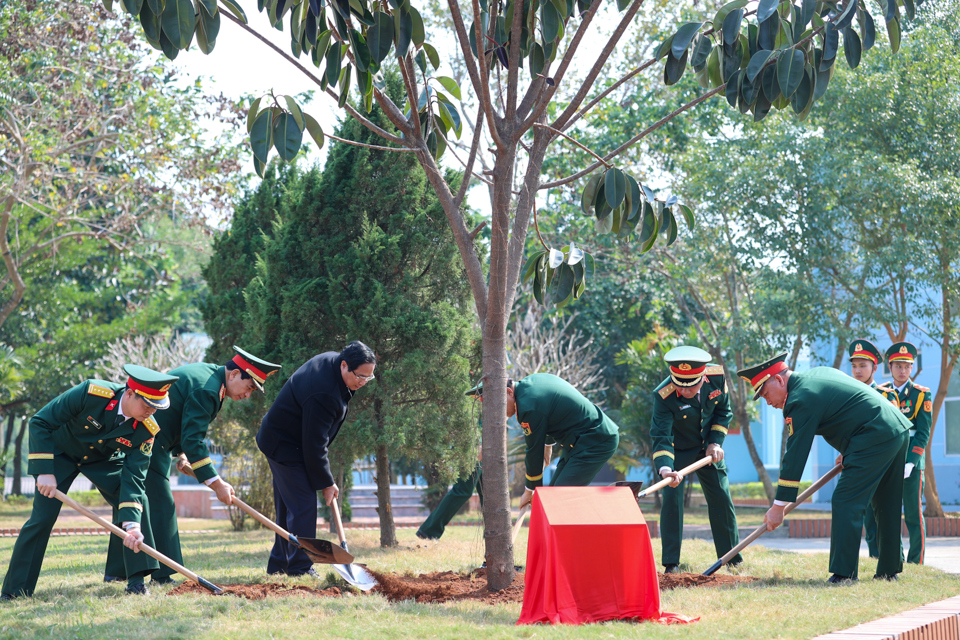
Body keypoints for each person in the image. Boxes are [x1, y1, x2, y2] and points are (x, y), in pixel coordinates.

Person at [102, 347, 281, 584]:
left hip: (155, 441)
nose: (248, 395)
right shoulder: (208, 389)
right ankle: (162, 573)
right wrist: (216, 483)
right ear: (235, 374)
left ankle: (117, 571)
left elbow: (180, 420)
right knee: (160, 505)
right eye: (249, 387)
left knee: (132, 501)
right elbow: (193, 438)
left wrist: (181, 453)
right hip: (147, 442)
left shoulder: (209, 378)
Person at [1, 365, 179, 599]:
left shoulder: (147, 429)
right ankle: (16, 591)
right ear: (129, 393)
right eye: (147, 405)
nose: (151, 412)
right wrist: (44, 472)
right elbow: (40, 422)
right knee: (41, 519)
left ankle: (135, 581)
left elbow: (134, 477)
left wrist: (132, 526)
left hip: (101, 460)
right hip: (60, 454)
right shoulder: (91, 393)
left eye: (156, 407)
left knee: (137, 501)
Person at [741, 352, 911, 583]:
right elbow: (850, 406)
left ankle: (844, 574)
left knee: (846, 500)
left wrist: (779, 506)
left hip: (874, 435)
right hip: (895, 428)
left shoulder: (800, 398)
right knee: (886, 501)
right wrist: (849, 449)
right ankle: (889, 571)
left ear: (779, 380)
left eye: (766, 393)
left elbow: (796, 454)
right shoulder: (818, 374)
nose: (768, 402)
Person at [256, 341, 376, 576]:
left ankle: (279, 564)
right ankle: (300, 568)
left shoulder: (333, 364)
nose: (362, 382)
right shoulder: (324, 393)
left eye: (368, 378)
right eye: (360, 376)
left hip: (289, 439)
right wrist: (326, 482)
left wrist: (324, 480)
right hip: (284, 445)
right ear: (344, 365)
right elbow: (314, 445)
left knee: (287, 509)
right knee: (303, 506)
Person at [469, 373, 619, 511]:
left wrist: (530, 490)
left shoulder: (527, 406)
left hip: (596, 440)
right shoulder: (531, 384)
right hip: (580, 441)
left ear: (509, 392)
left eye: (498, 406)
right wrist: (548, 445)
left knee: (560, 498)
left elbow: (534, 451)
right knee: (552, 495)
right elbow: (549, 412)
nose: (497, 413)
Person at [651, 346, 740, 574]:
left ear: (702, 377)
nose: (685, 390)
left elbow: (723, 411)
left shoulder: (717, 377)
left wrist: (716, 441)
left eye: (691, 386)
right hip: (677, 451)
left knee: (721, 495)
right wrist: (665, 470)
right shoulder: (664, 395)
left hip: (708, 447)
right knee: (671, 498)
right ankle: (671, 563)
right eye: (680, 384)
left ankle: (731, 558)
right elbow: (661, 436)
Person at [846, 339, 899, 559]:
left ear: (875, 368)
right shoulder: (847, 395)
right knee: (867, 516)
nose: (858, 371)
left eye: (863, 366)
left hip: (884, 463)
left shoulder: (887, 395)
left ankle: (893, 561)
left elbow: (896, 432)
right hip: (859, 464)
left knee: (886, 514)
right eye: (854, 366)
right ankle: (874, 558)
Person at [880, 341, 931, 565]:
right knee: (890, 514)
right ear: (890, 367)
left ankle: (916, 560)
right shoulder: (880, 392)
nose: (902, 370)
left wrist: (911, 462)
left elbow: (923, 432)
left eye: (907, 366)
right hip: (889, 460)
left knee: (912, 514)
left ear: (912, 368)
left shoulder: (921, 394)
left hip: (912, 461)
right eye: (898, 366)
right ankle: (895, 558)